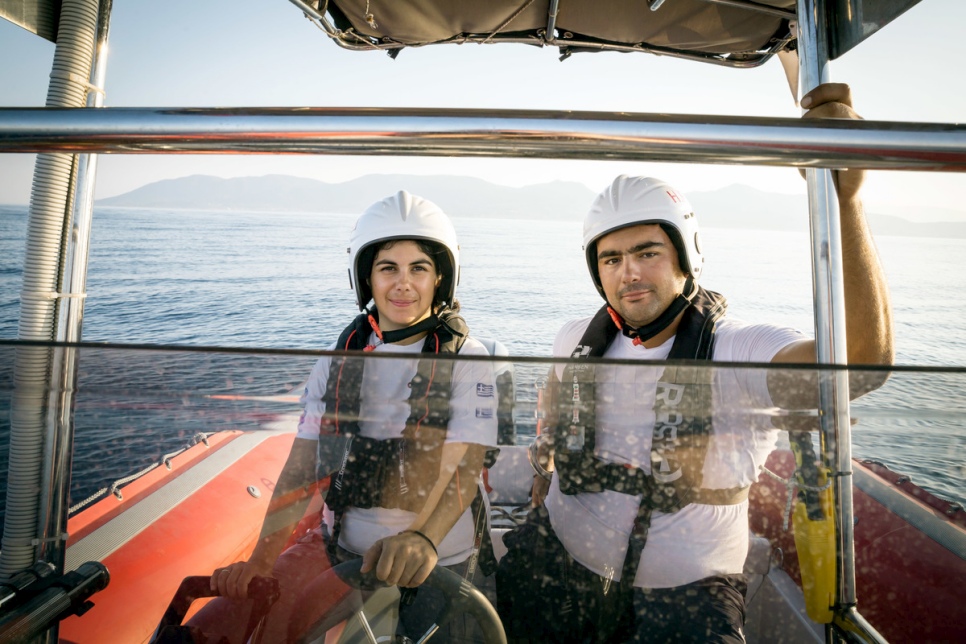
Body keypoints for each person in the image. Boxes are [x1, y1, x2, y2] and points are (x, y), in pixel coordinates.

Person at [496, 83, 893, 643]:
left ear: (685, 258)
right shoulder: (573, 339)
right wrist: (543, 486)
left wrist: (845, 201)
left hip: (688, 596)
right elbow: (556, 421)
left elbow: (862, 366)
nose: (628, 272)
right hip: (560, 570)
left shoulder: (738, 349)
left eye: (647, 252)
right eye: (611, 258)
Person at [192, 191, 499, 643]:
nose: (403, 283)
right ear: (366, 278)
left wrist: (424, 540)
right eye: (387, 267)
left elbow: (466, 464)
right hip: (349, 557)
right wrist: (261, 559)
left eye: (419, 268)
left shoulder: (468, 359)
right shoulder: (338, 361)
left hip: (440, 559)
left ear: (440, 279)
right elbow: (302, 465)